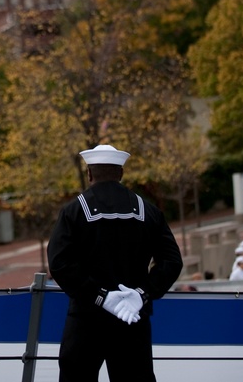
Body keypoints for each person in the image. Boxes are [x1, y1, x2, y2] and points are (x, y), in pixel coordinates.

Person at [47, 144, 183, 382]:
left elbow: (60, 264)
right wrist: (142, 293)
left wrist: (99, 296)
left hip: (86, 320)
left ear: (89, 173)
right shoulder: (149, 211)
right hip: (132, 318)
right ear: (121, 173)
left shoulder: (73, 212)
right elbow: (171, 261)